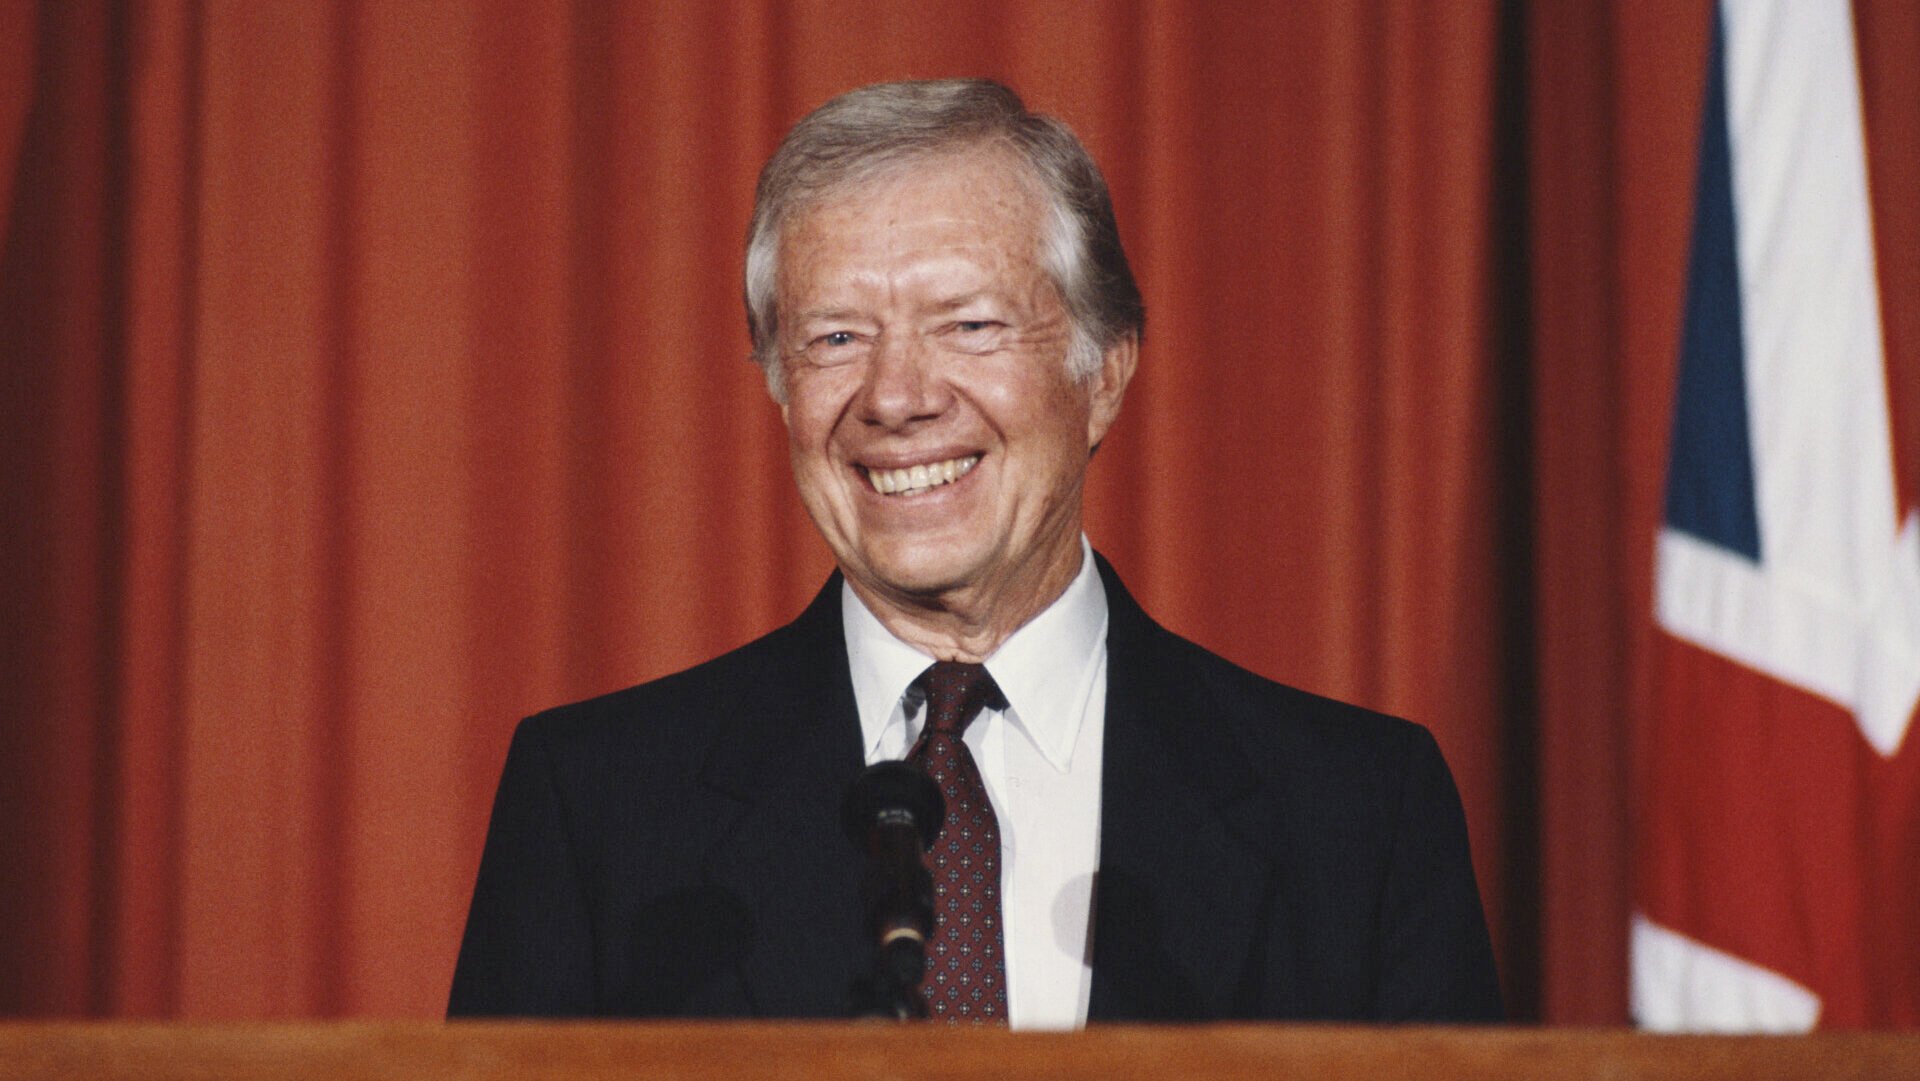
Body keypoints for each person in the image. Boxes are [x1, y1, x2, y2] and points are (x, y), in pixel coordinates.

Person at [448, 78, 1502, 1028]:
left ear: (1105, 375)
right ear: (777, 384)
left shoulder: (1358, 815)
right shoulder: (598, 810)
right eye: (835, 338)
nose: (897, 397)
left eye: (969, 325)